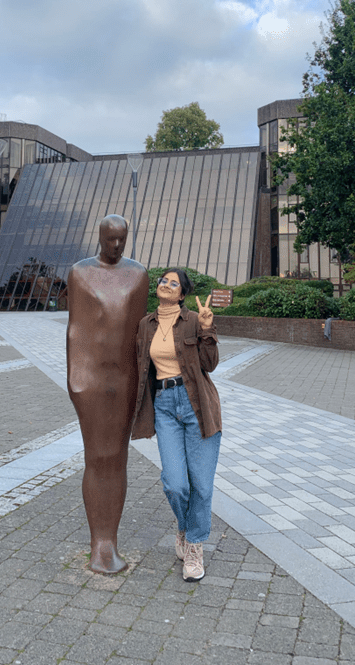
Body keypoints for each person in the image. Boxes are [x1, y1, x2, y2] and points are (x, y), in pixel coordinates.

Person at [67, 215, 149, 574]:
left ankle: (109, 541)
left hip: (127, 380)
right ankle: (98, 542)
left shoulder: (138, 274)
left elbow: (144, 330)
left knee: (117, 458)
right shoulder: (81, 273)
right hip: (92, 381)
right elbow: (76, 331)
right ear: (100, 237)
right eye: (110, 239)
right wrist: (77, 382)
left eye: (121, 240)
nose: (116, 246)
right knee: (96, 457)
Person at [132, 268, 221, 581]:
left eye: (174, 283)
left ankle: (194, 546)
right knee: (174, 483)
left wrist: (208, 329)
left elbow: (209, 364)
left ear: (182, 294)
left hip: (198, 404)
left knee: (201, 483)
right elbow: (138, 367)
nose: (166, 285)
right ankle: (185, 526)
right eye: (163, 281)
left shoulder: (194, 321)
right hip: (165, 406)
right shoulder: (146, 324)